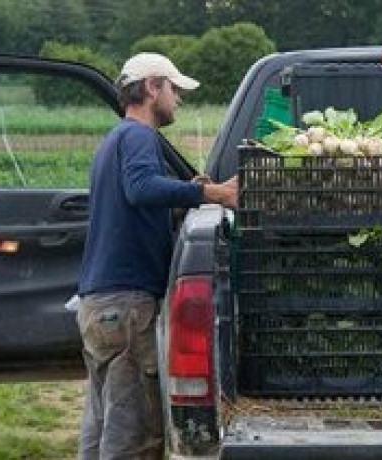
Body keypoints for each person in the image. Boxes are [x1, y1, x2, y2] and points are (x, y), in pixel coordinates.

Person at [76, 52, 238, 459]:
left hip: (101, 308)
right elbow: (142, 188)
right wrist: (211, 193)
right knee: (134, 437)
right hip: (127, 310)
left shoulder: (113, 140)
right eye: (174, 89)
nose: (178, 99)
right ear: (152, 87)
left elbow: (136, 203)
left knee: (101, 431)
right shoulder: (138, 136)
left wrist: (182, 199)